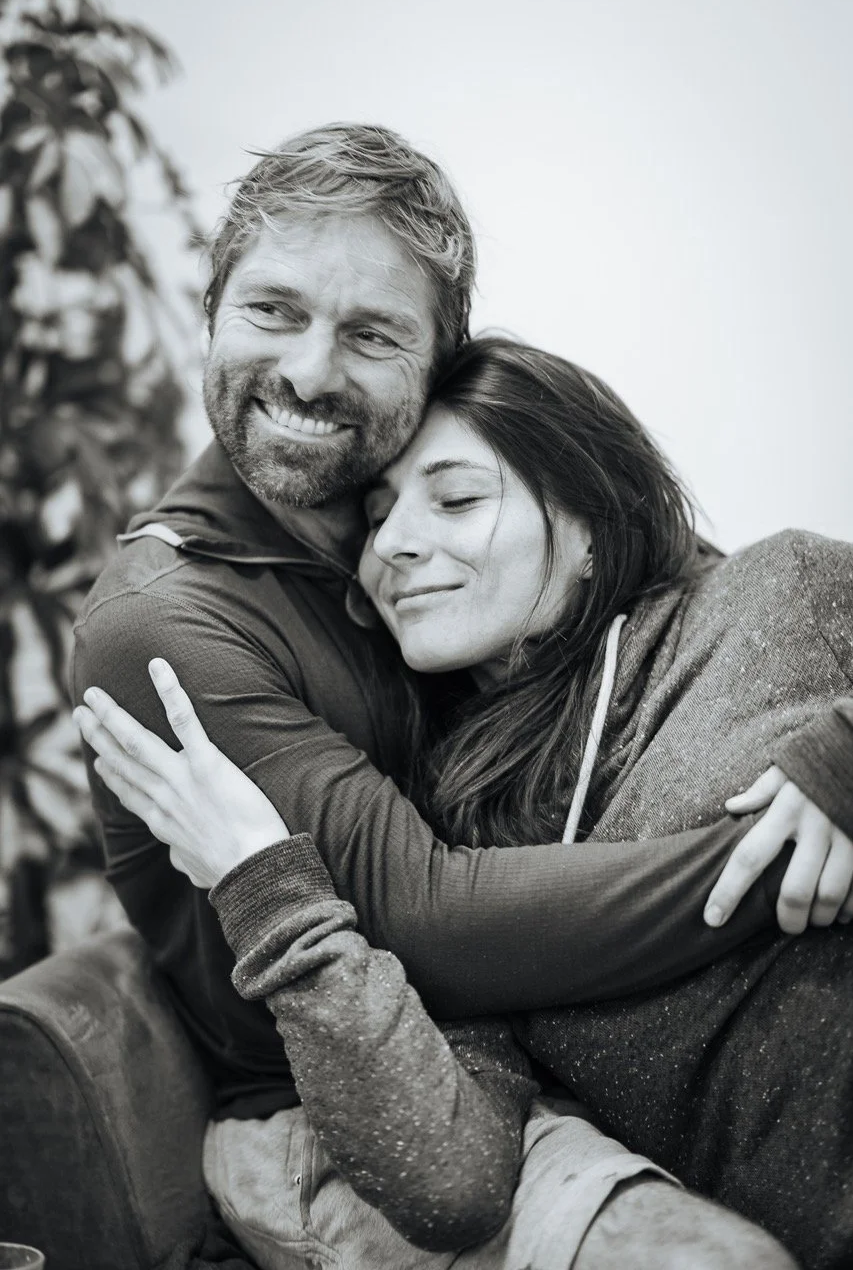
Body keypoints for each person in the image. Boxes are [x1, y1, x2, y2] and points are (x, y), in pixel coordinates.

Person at [71, 124, 799, 1269]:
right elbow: (427, 917)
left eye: (370, 332)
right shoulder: (162, 623)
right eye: (272, 309)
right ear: (208, 308)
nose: (311, 371)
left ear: (433, 362)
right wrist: (781, 857)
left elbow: (675, 582)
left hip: (508, 1046)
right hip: (328, 1104)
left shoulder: (398, 541)